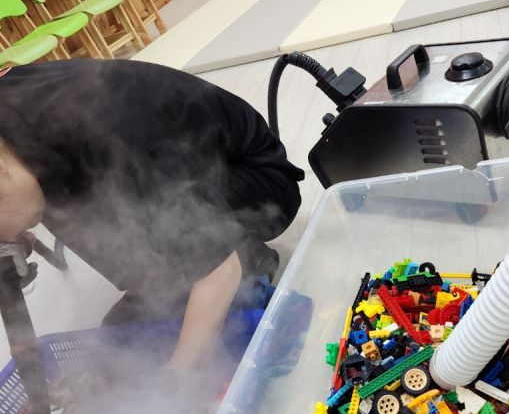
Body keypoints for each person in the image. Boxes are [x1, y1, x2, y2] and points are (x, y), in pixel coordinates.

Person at [0, 59, 303, 370]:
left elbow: (219, 272)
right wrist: (13, 232)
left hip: (254, 176)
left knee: (209, 271)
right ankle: (166, 281)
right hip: (150, 158)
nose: (4, 240)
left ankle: (247, 257)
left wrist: (178, 374)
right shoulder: (18, 139)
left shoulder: (114, 139)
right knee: (65, 208)